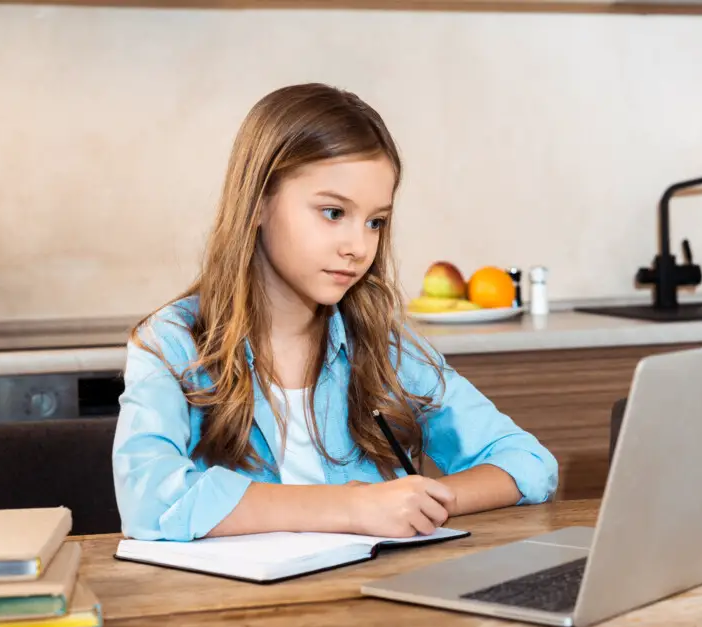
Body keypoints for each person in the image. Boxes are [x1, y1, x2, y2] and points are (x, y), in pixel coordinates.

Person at [112, 83, 558, 542]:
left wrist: (419, 503)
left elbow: (527, 461)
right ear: (259, 202)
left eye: (375, 222)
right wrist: (352, 507)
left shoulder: (383, 345)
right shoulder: (172, 341)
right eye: (332, 212)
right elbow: (148, 500)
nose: (358, 246)